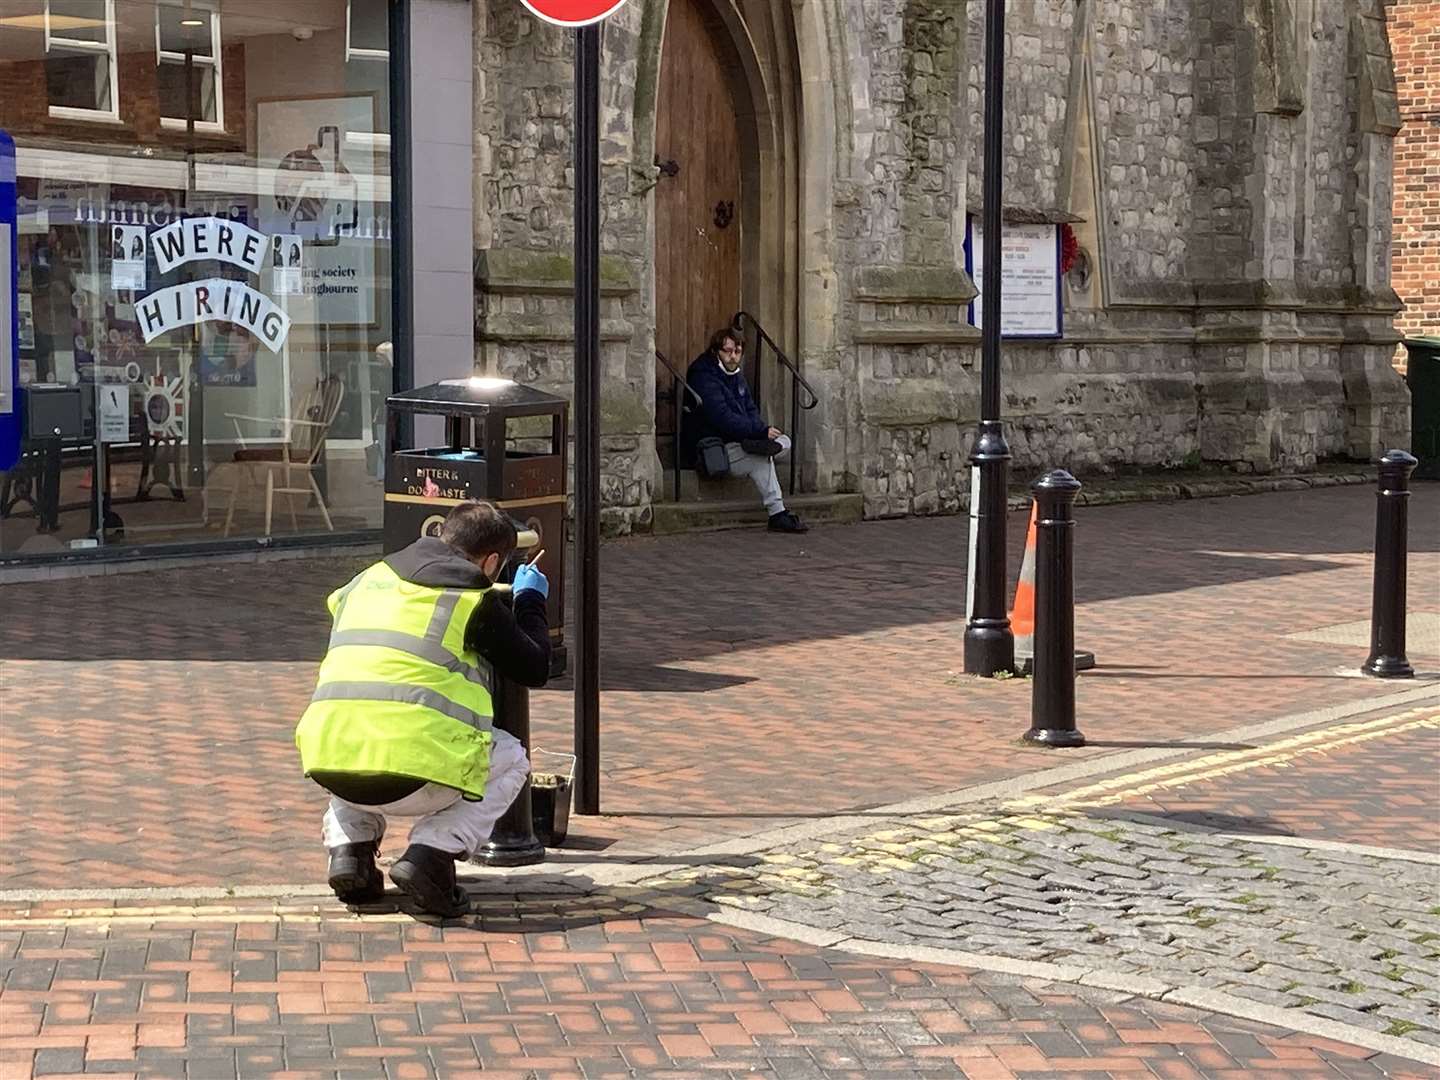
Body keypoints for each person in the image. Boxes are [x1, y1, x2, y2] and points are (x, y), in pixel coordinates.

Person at [294, 501, 551, 917]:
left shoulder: (363, 581)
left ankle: (350, 853)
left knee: (361, 731)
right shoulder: (470, 596)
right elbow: (534, 666)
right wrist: (529, 601)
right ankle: (430, 854)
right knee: (512, 760)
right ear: (490, 562)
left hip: (328, 761)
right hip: (413, 776)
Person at [685, 326, 809, 533]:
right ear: (716, 352)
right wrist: (758, 433)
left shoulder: (736, 376)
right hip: (712, 447)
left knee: (783, 441)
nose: (733, 357)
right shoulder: (703, 376)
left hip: (740, 442)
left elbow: (751, 410)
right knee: (760, 459)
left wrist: (763, 431)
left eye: (738, 351)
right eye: (728, 351)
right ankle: (777, 513)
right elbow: (721, 417)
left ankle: (764, 449)